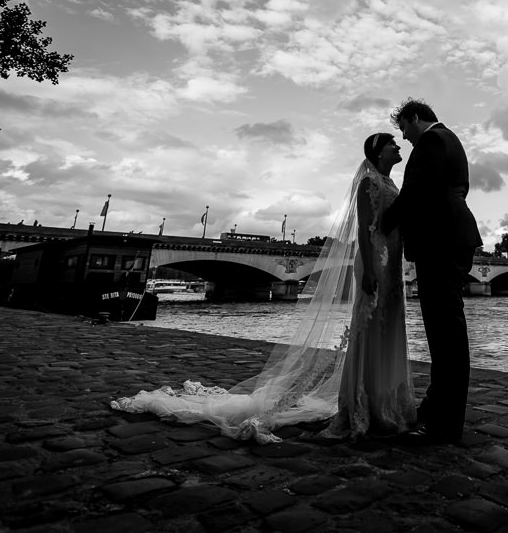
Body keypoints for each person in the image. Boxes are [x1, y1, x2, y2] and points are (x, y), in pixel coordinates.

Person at [110, 134, 415, 443]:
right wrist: (370, 270)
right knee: (371, 332)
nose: (398, 147)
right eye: (392, 143)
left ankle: (385, 400)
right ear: (378, 153)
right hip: (375, 262)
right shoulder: (368, 184)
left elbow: (391, 222)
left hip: (391, 263)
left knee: (388, 330)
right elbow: (365, 227)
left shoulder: (391, 184)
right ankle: (364, 403)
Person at [381, 98, 482, 444]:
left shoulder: (434, 141)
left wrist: (385, 220)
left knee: (445, 335)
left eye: (404, 129)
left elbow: (417, 191)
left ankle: (444, 424)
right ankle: (436, 409)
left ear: (415, 118)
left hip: (442, 242)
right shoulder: (449, 141)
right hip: (450, 238)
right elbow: (453, 191)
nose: (405, 139)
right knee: (443, 333)